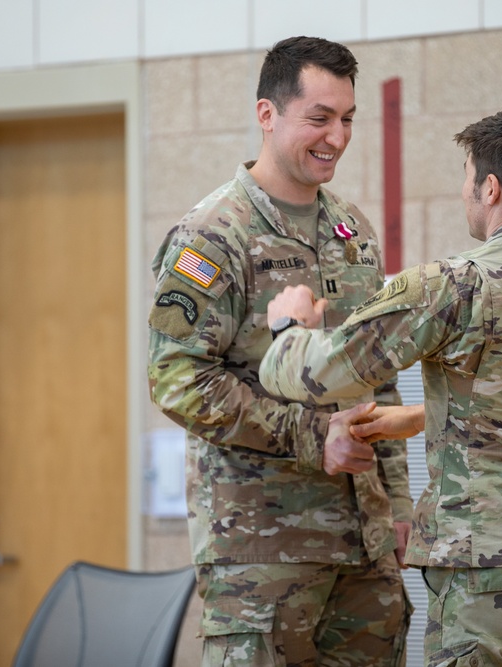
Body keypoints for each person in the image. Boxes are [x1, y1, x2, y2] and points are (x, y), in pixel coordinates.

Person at [258, 106, 502, 667]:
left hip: (488, 567)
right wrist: (415, 418)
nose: (465, 190)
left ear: (490, 189)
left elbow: (319, 374)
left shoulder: (455, 285)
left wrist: (290, 328)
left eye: (467, 177)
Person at [146, 35, 412, 667]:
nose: (338, 137)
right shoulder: (212, 235)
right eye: (319, 118)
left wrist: (399, 504)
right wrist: (309, 434)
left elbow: (380, 378)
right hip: (261, 554)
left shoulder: (353, 234)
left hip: (364, 547)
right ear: (267, 114)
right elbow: (177, 378)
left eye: (348, 118)